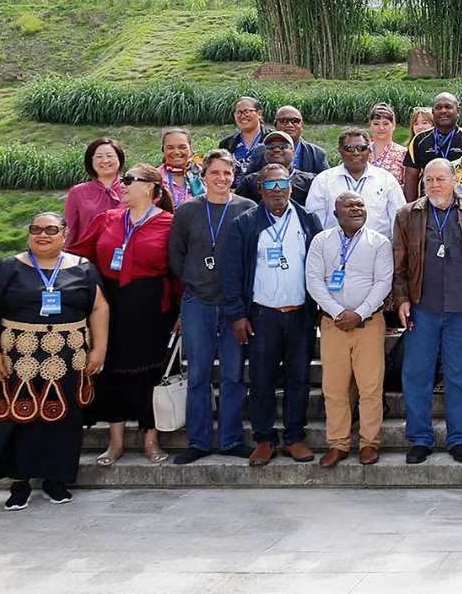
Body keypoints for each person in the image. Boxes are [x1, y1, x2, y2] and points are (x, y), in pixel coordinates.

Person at [0, 213, 108, 509]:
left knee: (64, 419)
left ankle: (56, 480)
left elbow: (99, 307)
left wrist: (99, 348)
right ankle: (19, 483)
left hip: (68, 357)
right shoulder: (9, 267)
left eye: (51, 229)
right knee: (16, 419)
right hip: (17, 357)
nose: (43, 235)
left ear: (65, 233)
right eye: (36, 229)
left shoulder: (83, 268)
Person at [67, 164, 177, 466]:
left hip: (151, 306)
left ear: (150, 188)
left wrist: (181, 311)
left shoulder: (169, 223)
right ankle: (114, 441)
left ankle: (150, 438)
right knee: (110, 370)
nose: (122, 184)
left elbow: (180, 272)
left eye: (129, 180)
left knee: (149, 373)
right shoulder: (108, 219)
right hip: (110, 303)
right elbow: (80, 256)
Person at [222, 163, 323, 466]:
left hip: (299, 315)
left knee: (299, 378)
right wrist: (237, 315)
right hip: (261, 316)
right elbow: (231, 273)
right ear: (259, 189)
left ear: (291, 186)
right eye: (270, 186)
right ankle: (264, 438)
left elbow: (320, 265)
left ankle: (294, 436)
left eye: (282, 185)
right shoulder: (246, 223)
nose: (277, 192)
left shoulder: (308, 220)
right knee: (262, 379)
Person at [165, 149, 255, 464]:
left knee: (232, 374)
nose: (221, 179)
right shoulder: (188, 210)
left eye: (227, 173)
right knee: (199, 373)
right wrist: (195, 279)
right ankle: (199, 441)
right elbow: (175, 256)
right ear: (203, 178)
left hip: (234, 306)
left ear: (234, 177)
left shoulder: (247, 209)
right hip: (197, 302)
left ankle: (230, 440)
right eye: (214, 173)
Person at [393, 158, 462, 464]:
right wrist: (402, 298)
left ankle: (459, 438)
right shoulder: (408, 214)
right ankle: (420, 438)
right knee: (417, 374)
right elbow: (399, 264)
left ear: (454, 179)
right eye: (429, 179)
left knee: (460, 375)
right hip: (423, 307)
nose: (434, 184)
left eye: (440, 179)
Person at [303, 191, 393, 467]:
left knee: (370, 386)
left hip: (369, 323)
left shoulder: (379, 242)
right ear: (335, 213)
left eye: (360, 205)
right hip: (333, 325)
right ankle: (338, 444)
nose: (356, 209)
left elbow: (383, 282)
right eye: (349, 206)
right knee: (334, 387)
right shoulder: (321, 241)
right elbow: (314, 280)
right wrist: (338, 312)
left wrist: (359, 313)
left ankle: (368, 443)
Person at [305, 127, 404, 237]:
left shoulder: (386, 180)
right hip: (336, 248)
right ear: (340, 151)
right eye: (349, 148)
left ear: (369, 150)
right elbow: (315, 222)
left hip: (377, 249)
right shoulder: (323, 180)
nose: (356, 153)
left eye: (361, 148)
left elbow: (399, 219)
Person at [402, 92, 462, 199]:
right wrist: (412, 208)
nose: (443, 111)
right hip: (427, 202)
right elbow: (411, 178)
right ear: (433, 112)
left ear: (458, 111)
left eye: (448, 107)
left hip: (459, 201)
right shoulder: (419, 140)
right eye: (438, 108)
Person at [65, 137, 125, 239]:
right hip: (87, 252)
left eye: (110, 156)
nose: (105, 161)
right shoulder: (77, 192)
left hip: (125, 251)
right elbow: (70, 230)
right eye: (99, 157)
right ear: (91, 161)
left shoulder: (133, 187)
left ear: (119, 158)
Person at [236, 131, 315, 208]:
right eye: (270, 147)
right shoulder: (250, 181)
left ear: (293, 153)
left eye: (283, 147)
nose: (276, 150)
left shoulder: (310, 181)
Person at [261, 106, 327, 175]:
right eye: (284, 121)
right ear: (275, 125)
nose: (290, 125)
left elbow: (325, 181)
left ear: (302, 126)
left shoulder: (317, 154)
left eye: (295, 121)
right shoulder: (260, 150)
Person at [158, 127, 204, 208]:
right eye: (170, 147)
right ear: (163, 149)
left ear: (190, 148)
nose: (176, 152)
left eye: (182, 147)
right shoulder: (154, 177)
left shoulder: (203, 174)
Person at [218, 96, 269, 170]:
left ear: (259, 114)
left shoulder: (272, 138)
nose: (242, 116)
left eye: (247, 112)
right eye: (238, 112)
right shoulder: (226, 143)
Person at [366, 102, 407, 179]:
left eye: (385, 124)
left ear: (393, 125)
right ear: (370, 125)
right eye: (376, 124)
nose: (381, 128)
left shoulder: (403, 153)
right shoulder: (363, 152)